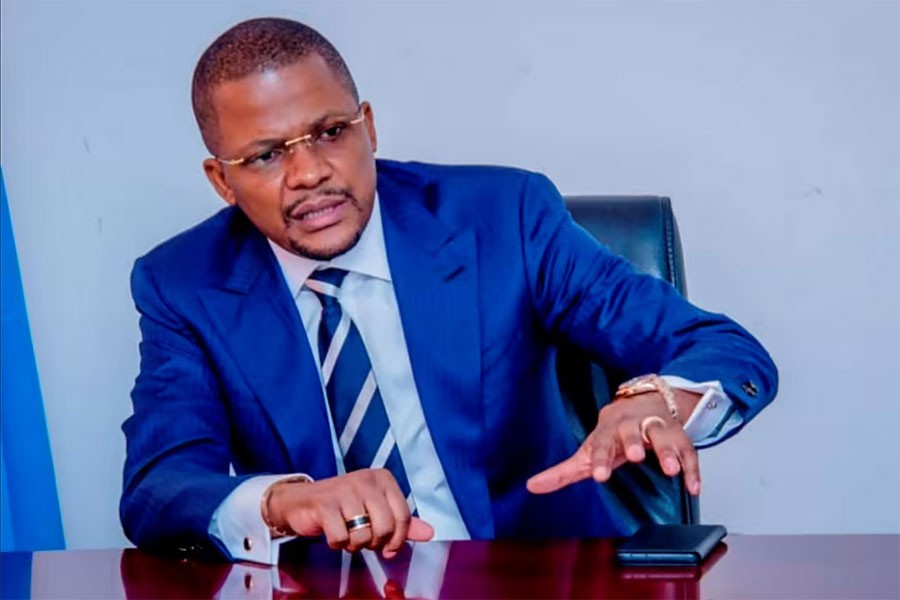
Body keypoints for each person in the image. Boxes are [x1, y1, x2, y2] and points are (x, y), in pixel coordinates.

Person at [121, 17, 777, 566]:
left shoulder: (504, 219)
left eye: (330, 132)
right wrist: (282, 502)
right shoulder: (183, 283)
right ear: (221, 180)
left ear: (368, 127)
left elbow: (724, 349)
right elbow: (158, 486)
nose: (310, 173)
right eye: (266, 155)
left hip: (533, 582)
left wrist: (661, 398)